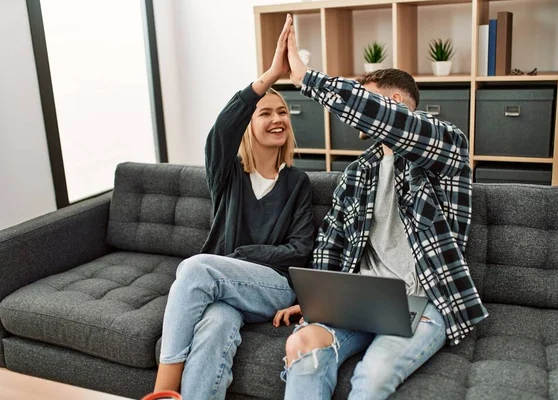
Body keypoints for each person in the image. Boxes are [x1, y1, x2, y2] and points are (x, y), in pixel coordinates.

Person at [273, 15, 488, 399]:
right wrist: (313, 305)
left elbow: (387, 120)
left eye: (366, 97)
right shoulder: (358, 172)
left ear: (394, 104)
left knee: (372, 376)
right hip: (359, 301)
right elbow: (332, 243)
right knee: (301, 346)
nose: (355, 115)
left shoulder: (447, 149)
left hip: (424, 301)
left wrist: (307, 78)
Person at [154, 17, 314, 400]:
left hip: (272, 288)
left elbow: (300, 249)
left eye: (283, 113)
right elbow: (221, 129)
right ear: (249, 124)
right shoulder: (228, 175)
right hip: (223, 290)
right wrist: (272, 74)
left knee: (196, 267)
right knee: (212, 332)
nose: (277, 118)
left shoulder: (298, 183)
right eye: (265, 112)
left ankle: (160, 391)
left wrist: (240, 255)